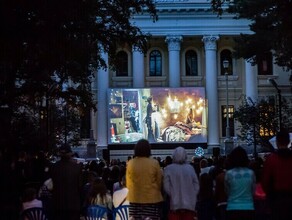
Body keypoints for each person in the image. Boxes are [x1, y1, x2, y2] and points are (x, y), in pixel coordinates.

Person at [126, 139, 163, 219]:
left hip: (135, 198)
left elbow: (128, 184)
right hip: (152, 199)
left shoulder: (131, 163)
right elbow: (159, 182)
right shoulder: (154, 163)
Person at [261, 130, 292, 220]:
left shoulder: (271, 160)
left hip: (276, 199)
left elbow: (265, 181)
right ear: (289, 141)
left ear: (277, 142)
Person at [163, 146, 199, 220]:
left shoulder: (169, 168)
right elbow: (196, 185)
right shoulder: (190, 168)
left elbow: (166, 187)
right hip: (189, 204)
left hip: (174, 204)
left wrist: (173, 193)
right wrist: (191, 194)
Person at [51, 144, 83, 220]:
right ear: (70, 154)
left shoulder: (54, 167)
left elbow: (52, 185)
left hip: (58, 204)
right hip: (73, 204)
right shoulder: (77, 167)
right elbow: (80, 186)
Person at [224, 146, 256, 220]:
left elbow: (227, 191)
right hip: (248, 207)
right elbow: (253, 191)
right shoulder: (251, 173)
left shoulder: (229, 174)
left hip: (232, 207)